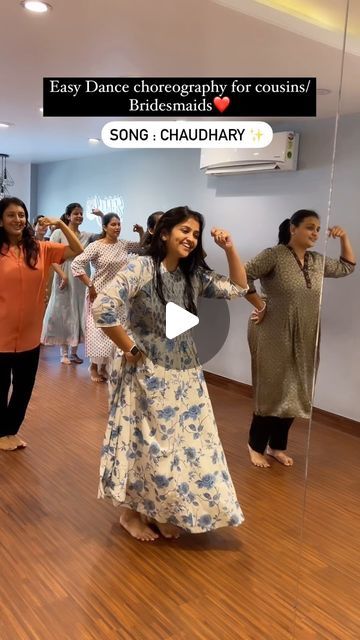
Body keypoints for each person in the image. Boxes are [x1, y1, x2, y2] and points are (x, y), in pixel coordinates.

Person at [92, 206, 248, 541]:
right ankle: (130, 513)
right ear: (164, 233)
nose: (191, 238)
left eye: (195, 233)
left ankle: (159, 509)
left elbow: (238, 288)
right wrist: (129, 348)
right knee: (143, 442)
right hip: (145, 372)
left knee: (179, 446)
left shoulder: (193, 275)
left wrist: (230, 249)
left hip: (185, 372)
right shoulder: (142, 267)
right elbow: (102, 307)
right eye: (185, 231)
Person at [245, 209, 356, 469]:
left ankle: (277, 446)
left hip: (306, 333)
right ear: (293, 229)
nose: (315, 233)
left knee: (297, 390)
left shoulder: (317, 261)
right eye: (309, 227)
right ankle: (255, 445)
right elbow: (242, 274)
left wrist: (344, 237)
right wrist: (260, 305)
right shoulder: (273, 255)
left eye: (318, 228)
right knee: (272, 389)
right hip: (272, 330)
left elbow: (347, 267)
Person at [0, 197, 83, 451]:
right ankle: (1, 433)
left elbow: (78, 250)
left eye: (21, 215)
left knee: (24, 387)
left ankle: (10, 431)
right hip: (0, 334)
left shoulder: (40, 248)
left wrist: (60, 223)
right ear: (1, 220)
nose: (17, 219)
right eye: (11, 215)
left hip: (29, 333)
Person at [71, 213, 143, 382]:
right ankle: (94, 367)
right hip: (99, 294)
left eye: (119, 224)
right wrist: (90, 285)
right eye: (113, 224)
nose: (117, 227)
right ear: (104, 227)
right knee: (99, 333)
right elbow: (76, 263)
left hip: (119, 296)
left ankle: (105, 367)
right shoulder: (96, 246)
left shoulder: (123, 244)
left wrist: (141, 232)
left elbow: (141, 247)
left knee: (116, 332)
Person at [41, 202, 102, 364]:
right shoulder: (58, 233)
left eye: (81, 214)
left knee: (79, 309)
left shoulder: (86, 236)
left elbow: (104, 236)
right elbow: (50, 256)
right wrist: (62, 275)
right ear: (68, 216)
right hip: (64, 272)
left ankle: (74, 351)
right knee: (63, 310)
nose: (79, 216)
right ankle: (63, 353)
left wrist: (102, 216)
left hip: (81, 274)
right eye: (76, 213)